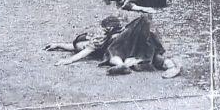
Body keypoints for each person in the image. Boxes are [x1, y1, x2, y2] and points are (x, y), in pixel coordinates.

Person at [44, 13, 180, 77]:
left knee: (113, 54)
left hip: (121, 45)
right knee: (150, 54)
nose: (82, 47)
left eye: (82, 45)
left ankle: (122, 65)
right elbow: (74, 48)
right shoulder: (97, 41)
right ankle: (171, 65)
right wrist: (58, 45)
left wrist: (67, 59)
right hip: (131, 45)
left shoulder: (97, 40)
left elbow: (81, 51)